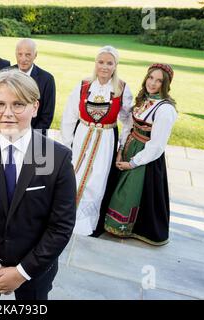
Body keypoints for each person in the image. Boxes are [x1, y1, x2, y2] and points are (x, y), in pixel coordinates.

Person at [0, 69, 76, 300]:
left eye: (18, 104)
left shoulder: (58, 159)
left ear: (35, 107)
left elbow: (61, 224)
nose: (7, 113)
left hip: (34, 272)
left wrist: (22, 272)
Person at [61, 45, 133, 237]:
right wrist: (67, 143)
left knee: (97, 178)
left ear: (115, 65)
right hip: (83, 134)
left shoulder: (122, 89)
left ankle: (85, 223)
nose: (104, 67)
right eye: (101, 62)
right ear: (96, 63)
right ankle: (65, 217)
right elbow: (69, 115)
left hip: (106, 139)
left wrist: (121, 145)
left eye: (109, 63)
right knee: (73, 173)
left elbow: (128, 120)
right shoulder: (84, 85)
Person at [105, 63, 177, 246]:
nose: (153, 83)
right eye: (151, 78)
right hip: (129, 148)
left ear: (166, 84)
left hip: (145, 157)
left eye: (159, 80)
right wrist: (121, 150)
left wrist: (134, 162)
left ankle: (129, 228)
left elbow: (157, 145)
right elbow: (129, 125)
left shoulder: (165, 110)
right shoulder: (144, 99)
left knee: (132, 192)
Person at [14, 38, 56, 136]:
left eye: (28, 54)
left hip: (34, 137)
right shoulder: (6, 74)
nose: (23, 59)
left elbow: (47, 116)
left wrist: (31, 138)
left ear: (35, 55)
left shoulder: (47, 79)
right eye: (20, 54)